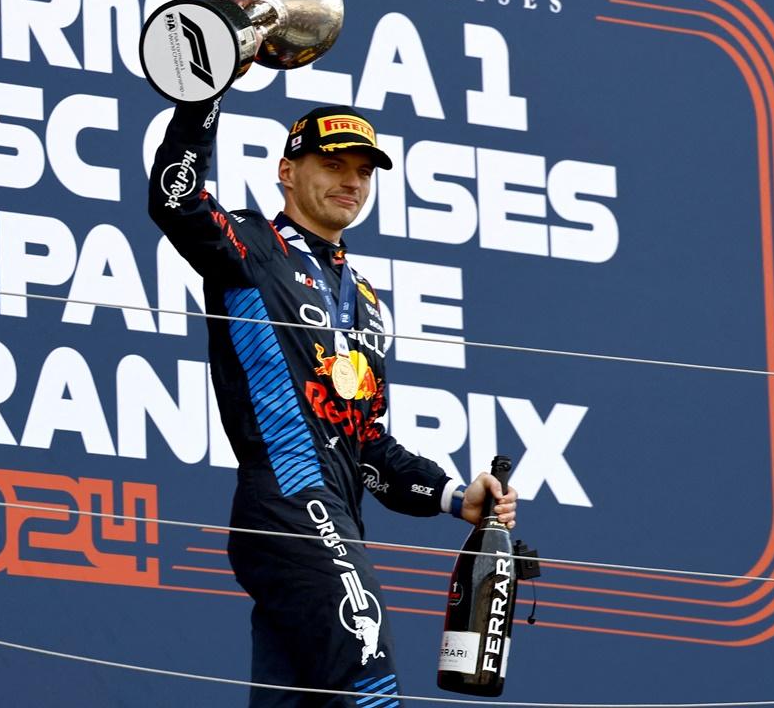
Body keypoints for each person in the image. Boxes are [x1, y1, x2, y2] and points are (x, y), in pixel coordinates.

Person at [149, 96, 518, 707]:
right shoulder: (252, 246)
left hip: (334, 517)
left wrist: (456, 496)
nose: (351, 181)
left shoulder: (368, 300)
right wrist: (202, 97)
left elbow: (368, 446)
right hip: (288, 504)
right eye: (333, 163)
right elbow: (176, 202)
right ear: (287, 172)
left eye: (364, 170)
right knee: (365, 665)